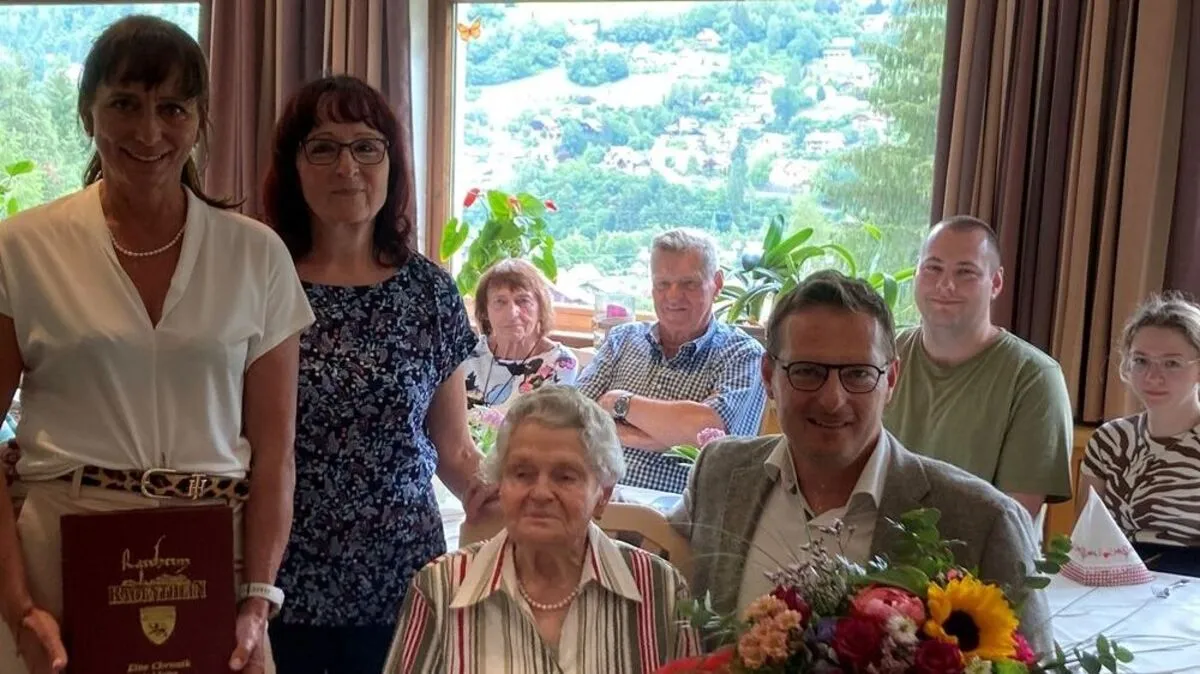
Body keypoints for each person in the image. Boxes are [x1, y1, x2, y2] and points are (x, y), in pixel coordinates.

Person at [0, 15, 313, 674]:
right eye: (124, 105)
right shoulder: (21, 249)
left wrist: (258, 597)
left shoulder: (256, 256)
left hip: (213, 559)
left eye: (172, 108)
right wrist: (18, 606)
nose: (148, 131)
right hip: (61, 554)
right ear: (88, 114)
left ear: (201, 121)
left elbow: (276, 456)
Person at [672, 271, 1053, 654]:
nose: (833, 399)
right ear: (769, 377)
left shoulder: (982, 523)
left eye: (858, 374)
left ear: (891, 380)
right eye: (807, 372)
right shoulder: (719, 474)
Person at [260, 75, 493, 674]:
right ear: (294, 165)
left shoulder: (429, 291)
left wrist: (502, 492)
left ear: (392, 162)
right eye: (324, 147)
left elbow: (452, 448)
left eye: (367, 146)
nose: (349, 166)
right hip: (279, 580)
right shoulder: (258, 281)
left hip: (402, 579)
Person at [384, 385, 698, 673]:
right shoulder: (439, 590)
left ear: (602, 494)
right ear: (501, 484)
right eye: (522, 473)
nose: (540, 493)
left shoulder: (662, 590)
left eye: (565, 476)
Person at [883, 216, 1073, 518]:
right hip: (866, 555)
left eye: (965, 272)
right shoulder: (881, 357)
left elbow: (1014, 519)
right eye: (933, 268)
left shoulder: (1035, 378)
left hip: (978, 560)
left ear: (995, 283)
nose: (945, 285)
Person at [577, 228, 766, 494]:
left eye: (689, 284)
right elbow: (572, 419)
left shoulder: (742, 353)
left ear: (717, 284)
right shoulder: (622, 339)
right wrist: (668, 436)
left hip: (677, 522)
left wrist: (617, 402)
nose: (674, 296)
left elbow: (709, 433)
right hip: (595, 507)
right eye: (662, 284)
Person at [1080, 293, 1200, 576]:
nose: (1152, 377)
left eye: (1171, 363)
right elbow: (1085, 538)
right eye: (1141, 361)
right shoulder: (1109, 441)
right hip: (1112, 583)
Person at [465, 258, 578, 409]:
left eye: (523, 301)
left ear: (541, 307)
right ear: (485, 311)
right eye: (500, 301)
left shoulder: (560, 363)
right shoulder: (466, 354)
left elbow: (551, 429)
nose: (512, 313)